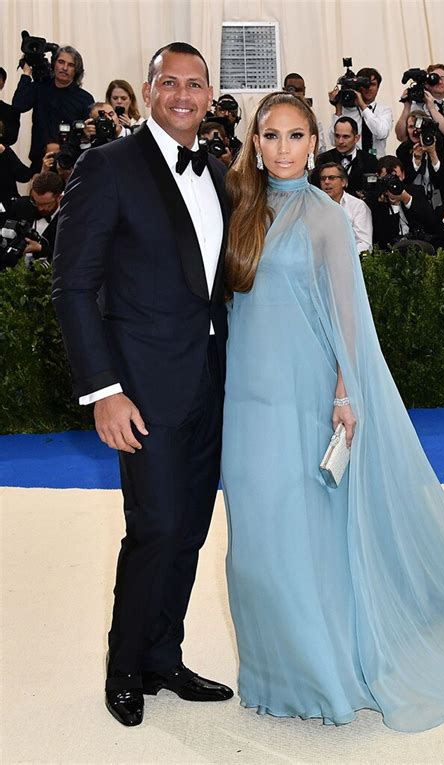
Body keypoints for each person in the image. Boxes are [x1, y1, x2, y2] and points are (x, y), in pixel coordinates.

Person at [221, 91, 444, 732]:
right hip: (245, 397)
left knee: (304, 531)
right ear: (255, 141)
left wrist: (344, 394)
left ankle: (321, 674)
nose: (282, 148)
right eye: (271, 135)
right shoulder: (240, 210)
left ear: (316, 143)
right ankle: (269, 672)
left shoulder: (326, 217)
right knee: (255, 537)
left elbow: (348, 317)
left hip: (307, 394)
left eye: (295, 136)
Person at [52, 41, 233, 728]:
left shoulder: (217, 169)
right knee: (153, 526)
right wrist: (104, 389)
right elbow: (72, 285)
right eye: (170, 82)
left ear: (209, 94)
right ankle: (125, 665)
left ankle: (164, 653)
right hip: (142, 389)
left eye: (195, 84)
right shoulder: (107, 166)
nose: (183, 95)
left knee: (188, 528)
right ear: (150, 88)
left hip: (210, 383)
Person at [12, 45, 94, 172]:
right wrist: (27, 74)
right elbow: (19, 105)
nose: (64, 68)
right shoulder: (40, 88)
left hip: (70, 164)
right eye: (61, 62)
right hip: (39, 162)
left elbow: (87, 135)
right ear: (54, 64)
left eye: (70, 65)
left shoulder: (85, 99)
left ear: (76, 70)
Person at [395, 64, 444, 170]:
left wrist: (431, 108)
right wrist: (406, 106)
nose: (440, 81)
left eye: (443, 78)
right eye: (435, 78)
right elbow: (400, 136)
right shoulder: (414, 107)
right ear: (426, 83)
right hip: (417, 169)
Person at [366, 156, 436, 248]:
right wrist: (394, 206)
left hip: (418, 245)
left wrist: (407, 199)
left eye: (396, 177)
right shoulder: (374, 200)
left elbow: (431, 222)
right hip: (389, 250)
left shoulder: (416, 191)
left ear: (403, 175)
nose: (393, 183)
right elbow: (383, 238)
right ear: (378, 178)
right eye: (387, 179)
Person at [328, 67, 393, 157]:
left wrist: (363, 105)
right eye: (365, 85)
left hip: (377, 162)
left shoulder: (384, 110)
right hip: (354, 164)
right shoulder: (347, 110)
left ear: (378, 87)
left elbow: (381, 134)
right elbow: (333, 141)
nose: (369, 88)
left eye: (373, 84)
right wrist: (338, 108)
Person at [396, 110, 444, 208]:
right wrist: (416, 160)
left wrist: (433, 153)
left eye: (418, 126)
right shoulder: (402, 150)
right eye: (410, 127)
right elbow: (405, 180)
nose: (415, 131)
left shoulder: (438, 145)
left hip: (437, 197)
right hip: (412, 199)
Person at [311, 116, 377, 196]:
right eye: (337, 136)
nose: (340, 141)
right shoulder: (323, 159)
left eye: (346, 137)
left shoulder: (369, 161)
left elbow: (372, 192)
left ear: (356, 138)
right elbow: (316, 189)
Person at [318, 161, 372, 252]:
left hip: (350, 261)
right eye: (323, 179)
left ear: (343, 182)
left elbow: (365, 244)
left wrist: (342, 256)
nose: (326, 182)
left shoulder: (357, 206)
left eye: (331, 178)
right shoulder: (315, 206)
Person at [283, 72, 327, 153]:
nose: (295, 93)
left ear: (304, 91)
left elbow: (320, 146)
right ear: (284, 90)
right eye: (291, 89)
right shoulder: (276, 113)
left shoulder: (312, 115)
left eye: (299, 90)